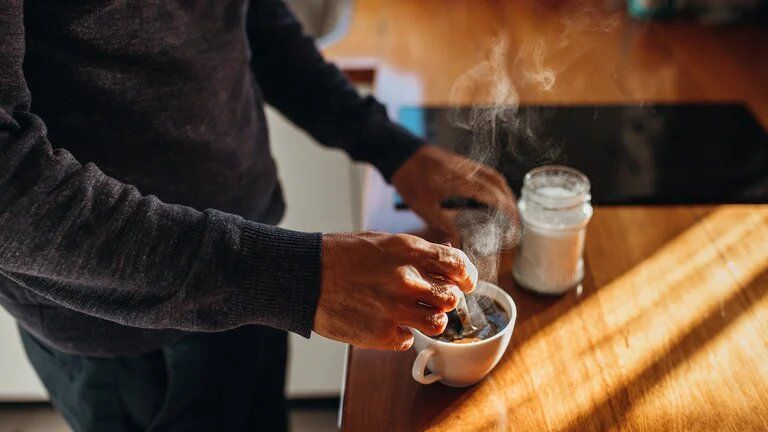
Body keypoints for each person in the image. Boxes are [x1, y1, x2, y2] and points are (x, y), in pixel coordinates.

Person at [0, 0, 517, 430]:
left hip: (256, 267)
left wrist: (392, 149)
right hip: (119, 321)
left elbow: (252, 20)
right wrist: (296, 277)